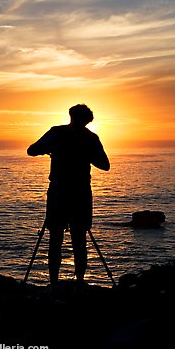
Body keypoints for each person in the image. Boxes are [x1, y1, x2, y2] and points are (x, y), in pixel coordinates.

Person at [27, 104, 110, 290]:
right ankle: (79, 282)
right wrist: (87, 155)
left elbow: (31, 150)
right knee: (79, 238)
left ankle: (54, 284)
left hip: (58, 191)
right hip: (80, 193)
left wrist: (49, 150)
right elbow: (105, 165)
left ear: (71, 116)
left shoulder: (56, 133)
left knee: (55, 237)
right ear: (87, 120)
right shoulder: (91, 138)